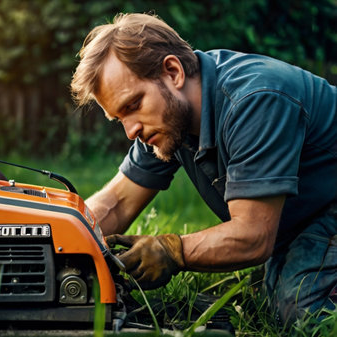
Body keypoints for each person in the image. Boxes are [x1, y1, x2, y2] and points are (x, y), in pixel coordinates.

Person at [70, 13, 337, 324]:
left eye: (133, 105)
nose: (130, 130)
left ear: (173, 71)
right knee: (253, 301)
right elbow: (117, 202)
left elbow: (252, 236)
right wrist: (62, 236)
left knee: (302, 310)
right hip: (305, 221)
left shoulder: (254, 100)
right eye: (120, 118)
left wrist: (171, 250)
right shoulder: (169, 118)